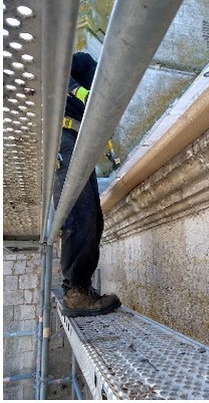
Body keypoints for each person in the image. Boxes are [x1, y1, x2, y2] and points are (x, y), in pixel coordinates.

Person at [53, 51, 121, 317]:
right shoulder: (87, 62)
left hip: (79, 143)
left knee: (92, 217)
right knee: (79, 214)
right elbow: (55, 68)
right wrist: (81, 93)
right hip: (62, 137)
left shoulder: (109, 90)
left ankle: (81, 287)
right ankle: (75, 293)